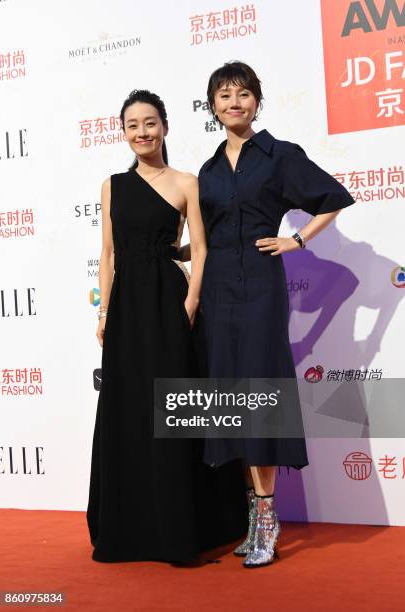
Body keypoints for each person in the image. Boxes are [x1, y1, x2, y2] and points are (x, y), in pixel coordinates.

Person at [197, 62, 355, 568]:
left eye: (243, 94)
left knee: (260, 396)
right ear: (212, 107)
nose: (233, 103)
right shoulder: (208, 169)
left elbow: (333, 199)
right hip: (218, 293)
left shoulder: (280, 156)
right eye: (223, 96)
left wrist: (297, 239)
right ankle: (252, 517)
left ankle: (268, 518)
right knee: (231, 400)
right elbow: (206, 235)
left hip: (262, 292)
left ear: (257, 102)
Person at [87, 89, 247, 564]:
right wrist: (104, 312)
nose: (142, 132)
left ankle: (185, 525)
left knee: (174, 412)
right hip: (127, 308)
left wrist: (191, 302)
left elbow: (199, 248)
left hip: (168, 301)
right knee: (131, 410)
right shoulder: (112, 184)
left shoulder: (185, 182)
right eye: (133, 124)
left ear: (165, 126)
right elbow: (108, 254)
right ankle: (131, 526)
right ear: (123, 132)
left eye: (150, 123)